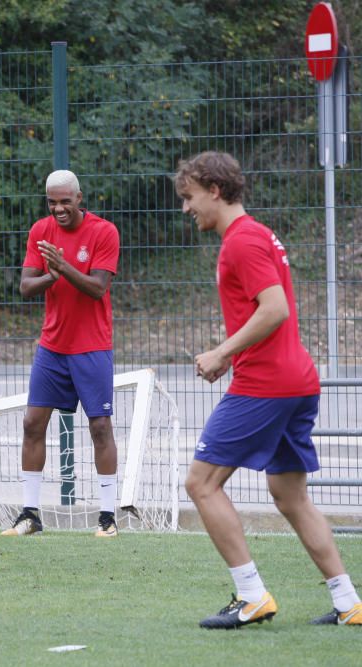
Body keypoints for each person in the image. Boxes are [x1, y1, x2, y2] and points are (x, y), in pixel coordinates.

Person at [176, 150, 361, 629]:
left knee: (201, 483)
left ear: (215, 190)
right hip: (294, 380)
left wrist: (221, 352)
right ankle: (349, 603)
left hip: (266, 384)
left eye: (190, 196)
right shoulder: (256, 236)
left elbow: (274, 308)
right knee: (289, 494)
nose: (186, 207)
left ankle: (252, 595)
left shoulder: (242, 241)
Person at [3, 169, 121, 539]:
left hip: (92, 347)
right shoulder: (40, 231)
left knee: (100, 427)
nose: (58, 209)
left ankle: (107, 518)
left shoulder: (104, 232)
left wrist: (63, 267)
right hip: (52, 348)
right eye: (51, 202)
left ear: (79, 199)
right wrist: (52, 276)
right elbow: (25, 287)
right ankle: (30, 514)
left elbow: (98, 288)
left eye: (64, 202)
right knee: (32, 424)